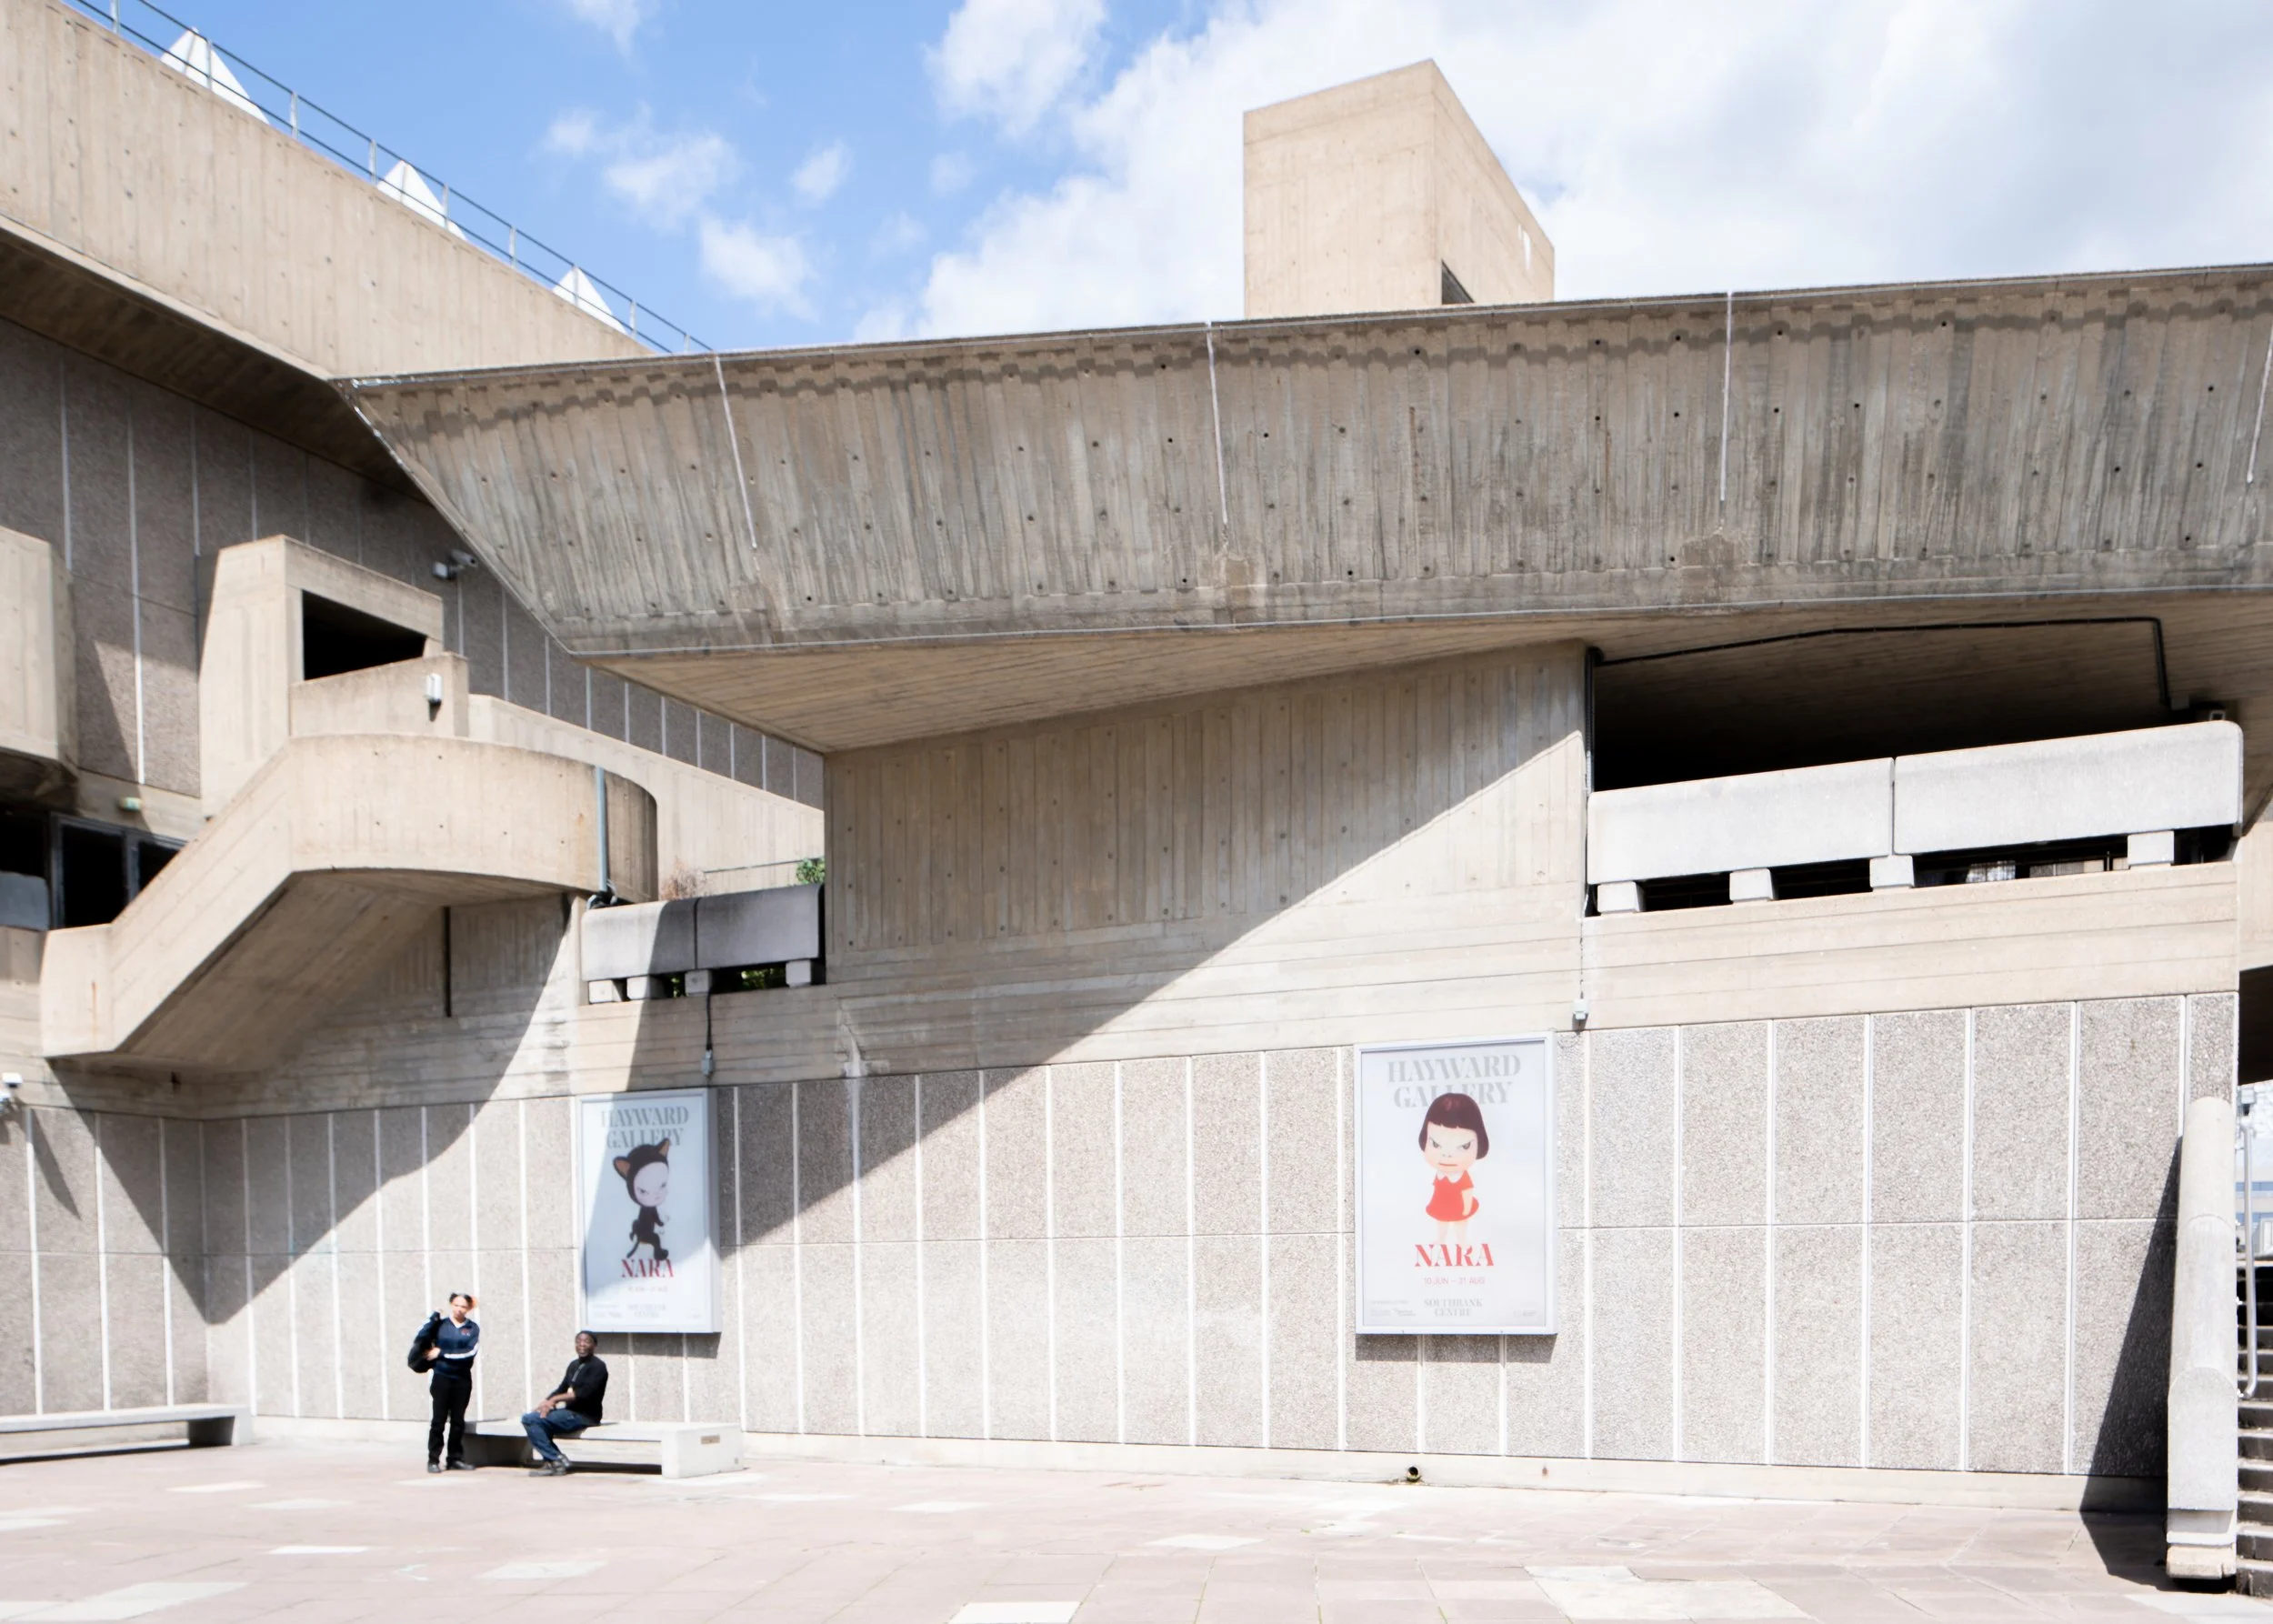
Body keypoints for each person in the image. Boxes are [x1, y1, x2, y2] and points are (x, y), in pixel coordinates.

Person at [522, 1331, 608, 1477]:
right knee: (532, 1419)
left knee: (532, 1420)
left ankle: (555, 1460)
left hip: (585, 1416)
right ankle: (554, 1461)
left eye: (586, 1341)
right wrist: (547, 1401)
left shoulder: (598, 1367)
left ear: (594, 1345)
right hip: (569, 1414)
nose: (582, 1345)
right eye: (578, 1341)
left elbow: (584, 1393)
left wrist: (555, 1400)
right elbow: (562, 1388)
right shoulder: (573, 1365)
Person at [423, 1291, 479, 1472]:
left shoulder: (472, 1328)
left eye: (463, 1306)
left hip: (462, 1379)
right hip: (442, 1378)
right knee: (438, 1420)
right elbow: (421, 1336)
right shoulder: (440, 1325)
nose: (459, 1309)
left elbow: (469, 1352)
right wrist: (432, 1318)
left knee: (458, 1421)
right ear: (451, 1305)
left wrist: (443, 1353)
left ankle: (455, 1458)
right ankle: (433, 1459)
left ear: (468, 1308)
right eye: (456, 1305)